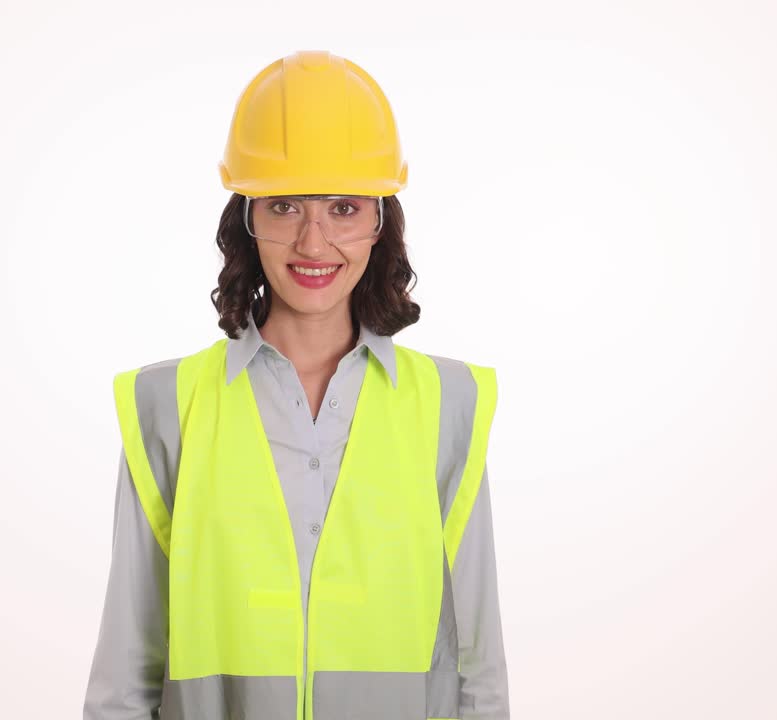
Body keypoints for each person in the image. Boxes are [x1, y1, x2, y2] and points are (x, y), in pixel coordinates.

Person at [84, 50, 509, 720]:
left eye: (343, 207)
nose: (314, 242)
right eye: (284, 206)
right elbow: (126, 678)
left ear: (379, 222)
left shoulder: (448, 406)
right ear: (247, 222)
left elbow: (476, 671)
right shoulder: (167, 406)